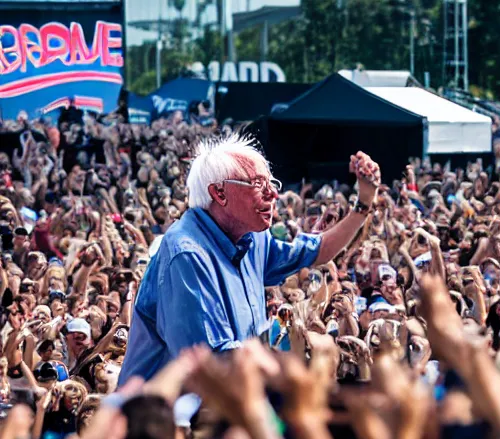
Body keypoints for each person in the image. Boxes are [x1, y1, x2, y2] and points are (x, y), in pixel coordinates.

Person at [119, 136, 381, 382]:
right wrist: (301, 349)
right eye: (258, 184)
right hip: (163, 419)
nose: (273, 194)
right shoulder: (187, 255)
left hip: (228, 403)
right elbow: (210, 364)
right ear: (219, 193)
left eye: (271, 183)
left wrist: (364, 202)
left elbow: (317, 251)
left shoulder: (252, 238)